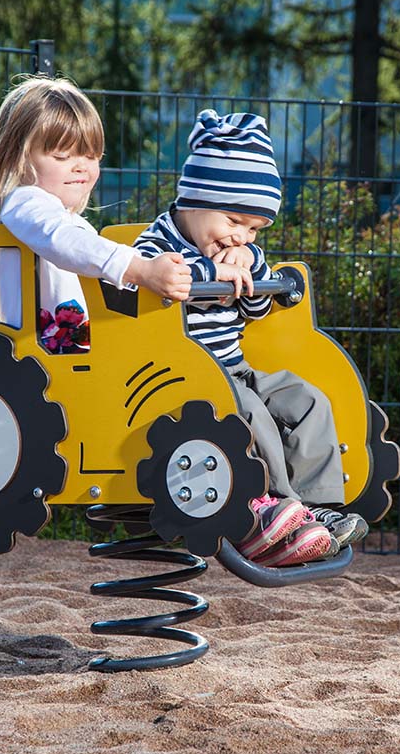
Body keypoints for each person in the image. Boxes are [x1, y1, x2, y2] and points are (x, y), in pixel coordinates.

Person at [134, 109, 368, 567]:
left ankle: (321, 506)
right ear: (195, 200)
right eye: (234, 220)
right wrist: (213, 271)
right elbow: (155, 281)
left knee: (306, 401)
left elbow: (254, 310)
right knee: (252, 412)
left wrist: (252, 275)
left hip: (235, 365)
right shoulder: (156, 245)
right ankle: (280, 508)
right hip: (189, 376)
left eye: (255, 228)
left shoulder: (242, 251)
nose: (241, 236)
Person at [0, 75, 191, 352]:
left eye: (91, 156)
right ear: (20, 158)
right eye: (62, 156)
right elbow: (62, 241)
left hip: (73, 355)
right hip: (43, 357)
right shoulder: (25, 203)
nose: (81, 167)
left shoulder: (72, 223)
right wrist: (140, 269)